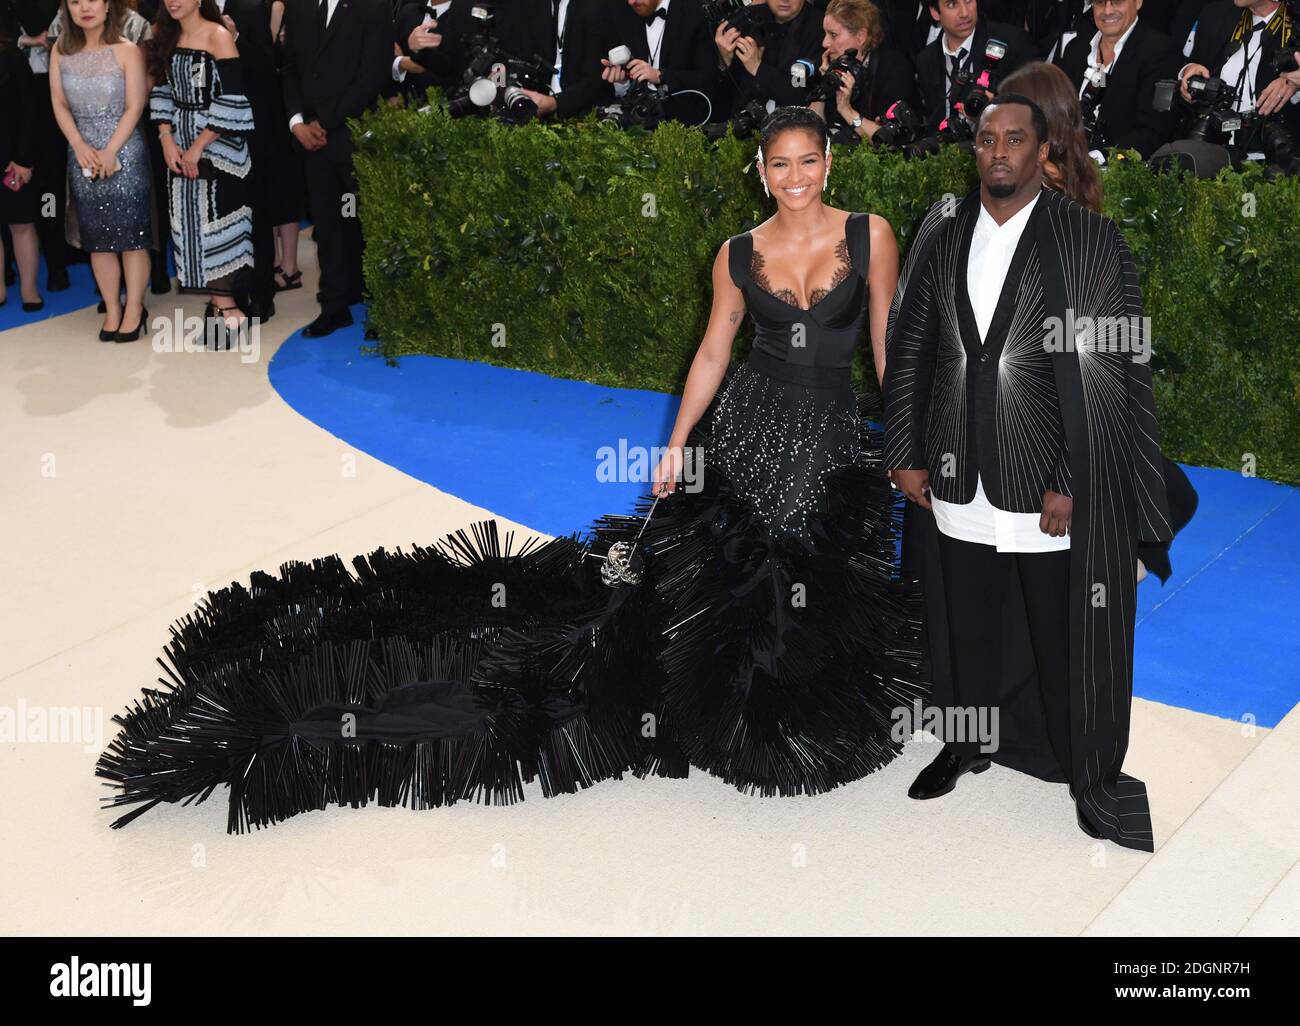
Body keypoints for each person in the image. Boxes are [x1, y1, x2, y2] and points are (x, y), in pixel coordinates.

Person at [96, 107, 927, 834]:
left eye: (808, 161)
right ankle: (735, 712)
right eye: (778, 163)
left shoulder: (871, 235)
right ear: (760, 170)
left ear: (830, 162)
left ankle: (798, 709)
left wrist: (900, 438)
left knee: (811, 570)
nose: (794, 177)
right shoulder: (737, 252)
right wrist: (676, 444)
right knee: (735, 579)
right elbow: (715, 350)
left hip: (826, 436)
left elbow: (885, 341)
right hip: (748, 425)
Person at [883, 92, 1175, 851]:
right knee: (964, 624)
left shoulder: (1087, 239)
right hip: (954, 470)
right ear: (973, 150)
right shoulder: (943, 232)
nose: (1000, 152)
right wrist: (906, 450)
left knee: (1064, 636)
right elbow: (912, 344)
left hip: (1045, 485)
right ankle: (965, 741)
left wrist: (1074, 477)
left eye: (1016, 140)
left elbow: (1111, 372)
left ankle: (1084, 770)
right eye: (987, 140)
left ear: (1043, 151)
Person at [147, 0, 255, 344]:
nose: (173, 1)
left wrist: (199, 145)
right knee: (187, 225)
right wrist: (166, 138)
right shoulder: (165, 34)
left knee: (217, 224)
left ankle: (229, 308)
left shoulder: (219, 35)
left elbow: (234, 97)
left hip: (218, 146)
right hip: (177, 142)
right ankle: (219, 305)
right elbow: (161, 90)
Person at [281, 0, 391, 337]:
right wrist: (297, 121)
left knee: (369, 222)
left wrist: (324, 122)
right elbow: (289, 68)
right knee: (327, 223)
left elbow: (372, 74)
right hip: (311, 140)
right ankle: (334, 305)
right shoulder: (299, 7)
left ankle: (383, 309)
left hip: (354, 134)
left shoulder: (373, 7)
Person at [49, 0, 152, 342]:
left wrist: (111, 149)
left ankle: (135, 308)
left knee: (132, 236)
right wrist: (79, 145)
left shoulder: (127, 51)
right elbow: (60, 105)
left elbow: (135, 106)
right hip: (82, 155)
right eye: (75, 2)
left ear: (107, 6)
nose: (84, 8)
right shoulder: (61, 52)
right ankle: (112, 308)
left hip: (124, 151)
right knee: (97, 239)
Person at [1055, 0, 1180, 160]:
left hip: (1117, 174)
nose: (1107, 11)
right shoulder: (1076, 48)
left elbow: (1153, 132)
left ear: (1138, 2)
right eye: (1100, 2)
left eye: (1117, 2)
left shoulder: (1160, 52)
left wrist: (1097, 161)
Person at [913, 0, 1037, 129]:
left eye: (968, 1)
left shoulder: (1013, 44)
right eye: (952, 5)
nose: (964, 13)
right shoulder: (926, 60)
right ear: (935, 12)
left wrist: (997, 111)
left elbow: (1032, 114)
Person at [809, 0, 919, 144]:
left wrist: (847, 111)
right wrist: (823, 88)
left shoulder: (894, 68)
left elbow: (888, 141)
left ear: (861, 36)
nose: (825, 43)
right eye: (825, 33)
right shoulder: (832, 64)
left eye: (833, 35)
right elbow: (811, 131)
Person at [0, 26, 44, 312]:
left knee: (21, 224)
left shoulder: (12, 58)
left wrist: (24, 159)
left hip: (13, 159)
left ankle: (29, 289)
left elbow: (31, 112)